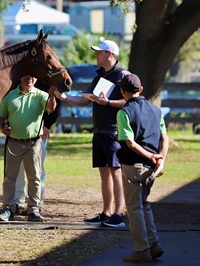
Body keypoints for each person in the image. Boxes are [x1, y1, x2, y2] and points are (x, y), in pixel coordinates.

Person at [54, 40, 128, 227]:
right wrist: (63, 97)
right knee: (104, 173)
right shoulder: (99, 77)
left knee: (116, 172)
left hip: (114, 131)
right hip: (99, 132)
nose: (96, 55)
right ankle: (107, 212)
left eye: (99, 52)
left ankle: (119, 214)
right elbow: (84, 101)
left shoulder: (123, 76)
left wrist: (108, 103)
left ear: (109, 54)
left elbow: (130, 101)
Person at [116, 74, 169, 263]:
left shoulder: (124, 112)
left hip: (133, 166)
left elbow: (129, 142)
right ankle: (155, 244)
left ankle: (142, 250)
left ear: (123, 91)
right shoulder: (156, 110)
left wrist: (150, 155)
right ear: (141, 89)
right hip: (151, 168)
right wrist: (159, 159)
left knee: (134, 208)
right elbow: (165, 138)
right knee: (145, 205)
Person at [0, 75, 57, 222]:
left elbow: (50, 108)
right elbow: (0, 117)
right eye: (26, 76)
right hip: (13, 142)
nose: (29, 78)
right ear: (20, 78)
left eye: (32, 76)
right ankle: (8, 208)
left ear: (36, 79)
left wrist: (52, 96)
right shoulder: (9, 96)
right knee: (9, 177)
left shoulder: (41, 95)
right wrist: (3, 128)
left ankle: (33, 209)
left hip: (34, 143)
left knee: (34, 177)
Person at [13, 96, 61, 216]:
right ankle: (18, 202)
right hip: (17, 132)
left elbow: (56, 106)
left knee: (37, 171)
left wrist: (47, 125)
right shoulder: (18, 87)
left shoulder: (45, 88)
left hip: (38, 133)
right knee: (18, 169)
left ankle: (36, 203)